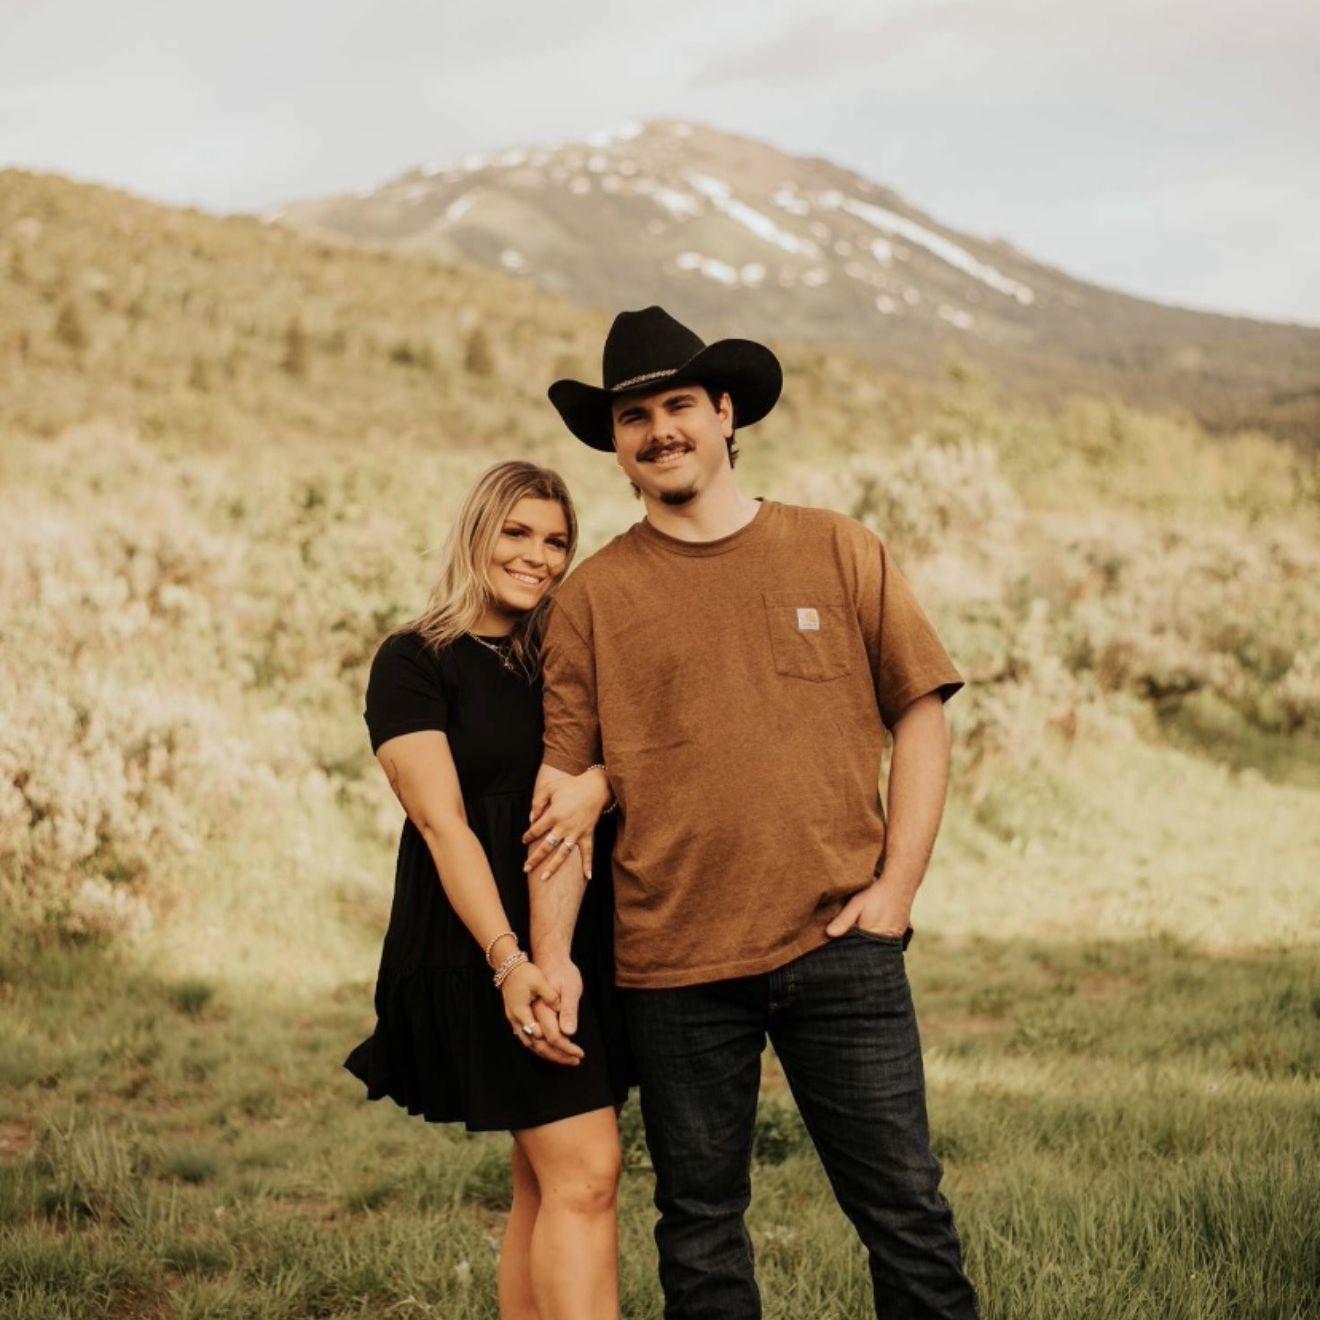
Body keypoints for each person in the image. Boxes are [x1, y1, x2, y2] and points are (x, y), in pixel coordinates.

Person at [522, 307, 980, 1318]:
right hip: (673, 966)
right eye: (634, 417)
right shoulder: (590, 599)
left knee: (906, 1213)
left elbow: (923, 713)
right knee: (699, 1229)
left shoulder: (837, 548)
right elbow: (561, 802)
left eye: (679, 405)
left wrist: (896, 892)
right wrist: (552, 958)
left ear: (726, 414)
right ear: (616, 446)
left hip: (841, 945)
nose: (660, 431)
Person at [343, 460, 631, 1320]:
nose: (538, 557)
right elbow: (443, 826)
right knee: (586, 1174)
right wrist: (509, 961)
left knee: (548, 1183)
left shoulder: (562, 656)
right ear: (477, 532)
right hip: (482, 938)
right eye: (517, 533)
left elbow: (621, 763)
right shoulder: (414, 660)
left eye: (556, 541)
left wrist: (601, 783)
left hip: (579, 931)